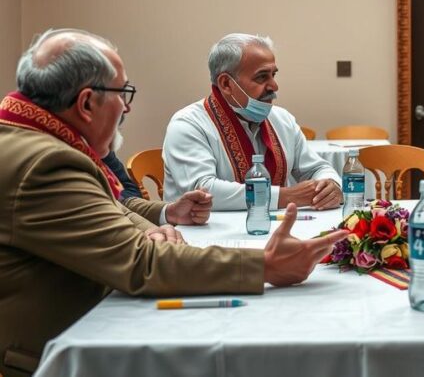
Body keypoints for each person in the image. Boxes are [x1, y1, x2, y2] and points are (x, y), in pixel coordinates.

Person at [0, 29, 349, 377]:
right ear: (87, 103)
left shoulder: (34, 139)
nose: (128, 106)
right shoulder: (47, 163)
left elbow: (114, 204)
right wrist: (266, 265)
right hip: (54, 354)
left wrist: (161, 217)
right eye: (123, 92)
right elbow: (142, 262)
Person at [163, 33, 342, 211]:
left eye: (273, 75)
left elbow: (315, 168)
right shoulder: (188, 124)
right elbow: (202, 190)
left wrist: (330, 185)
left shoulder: (281, 118)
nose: (274, 86)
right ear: (226, 84)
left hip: (274, 228)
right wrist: (285, 196)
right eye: (262, 77)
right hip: (200, 236)